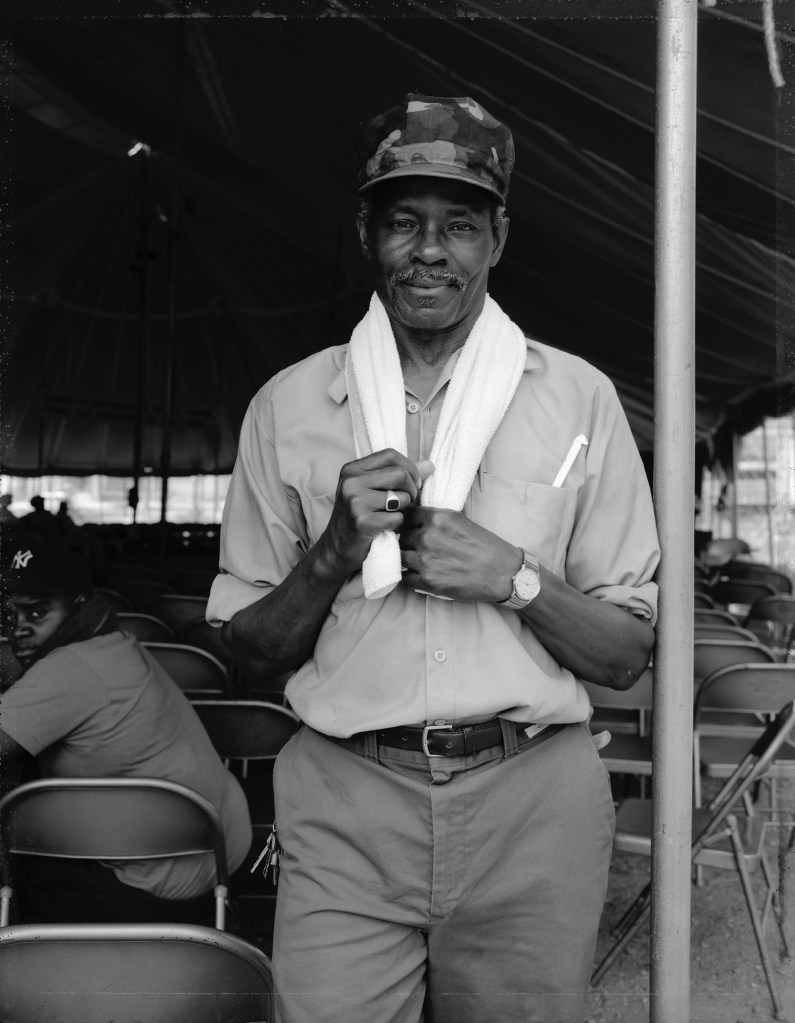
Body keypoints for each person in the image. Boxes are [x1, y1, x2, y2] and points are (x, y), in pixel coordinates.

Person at [207, 93, 660, 1023]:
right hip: (345, 796)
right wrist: (334, 551)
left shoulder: (578, 399)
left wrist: (512, 578)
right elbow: (249, 655)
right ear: (365, 233)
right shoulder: (288, 405)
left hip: (531, 800)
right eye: (403, 222)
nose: (428, 250)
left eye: (458, 224)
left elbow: (623, 656)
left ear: (497, 238)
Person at [0, 539, 252, 924]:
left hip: (151, 887)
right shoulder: (112, 643)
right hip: (218, 859)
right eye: (7, 614)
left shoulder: (68, 669)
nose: (18, 628)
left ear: (79, 605)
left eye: (36, 611)